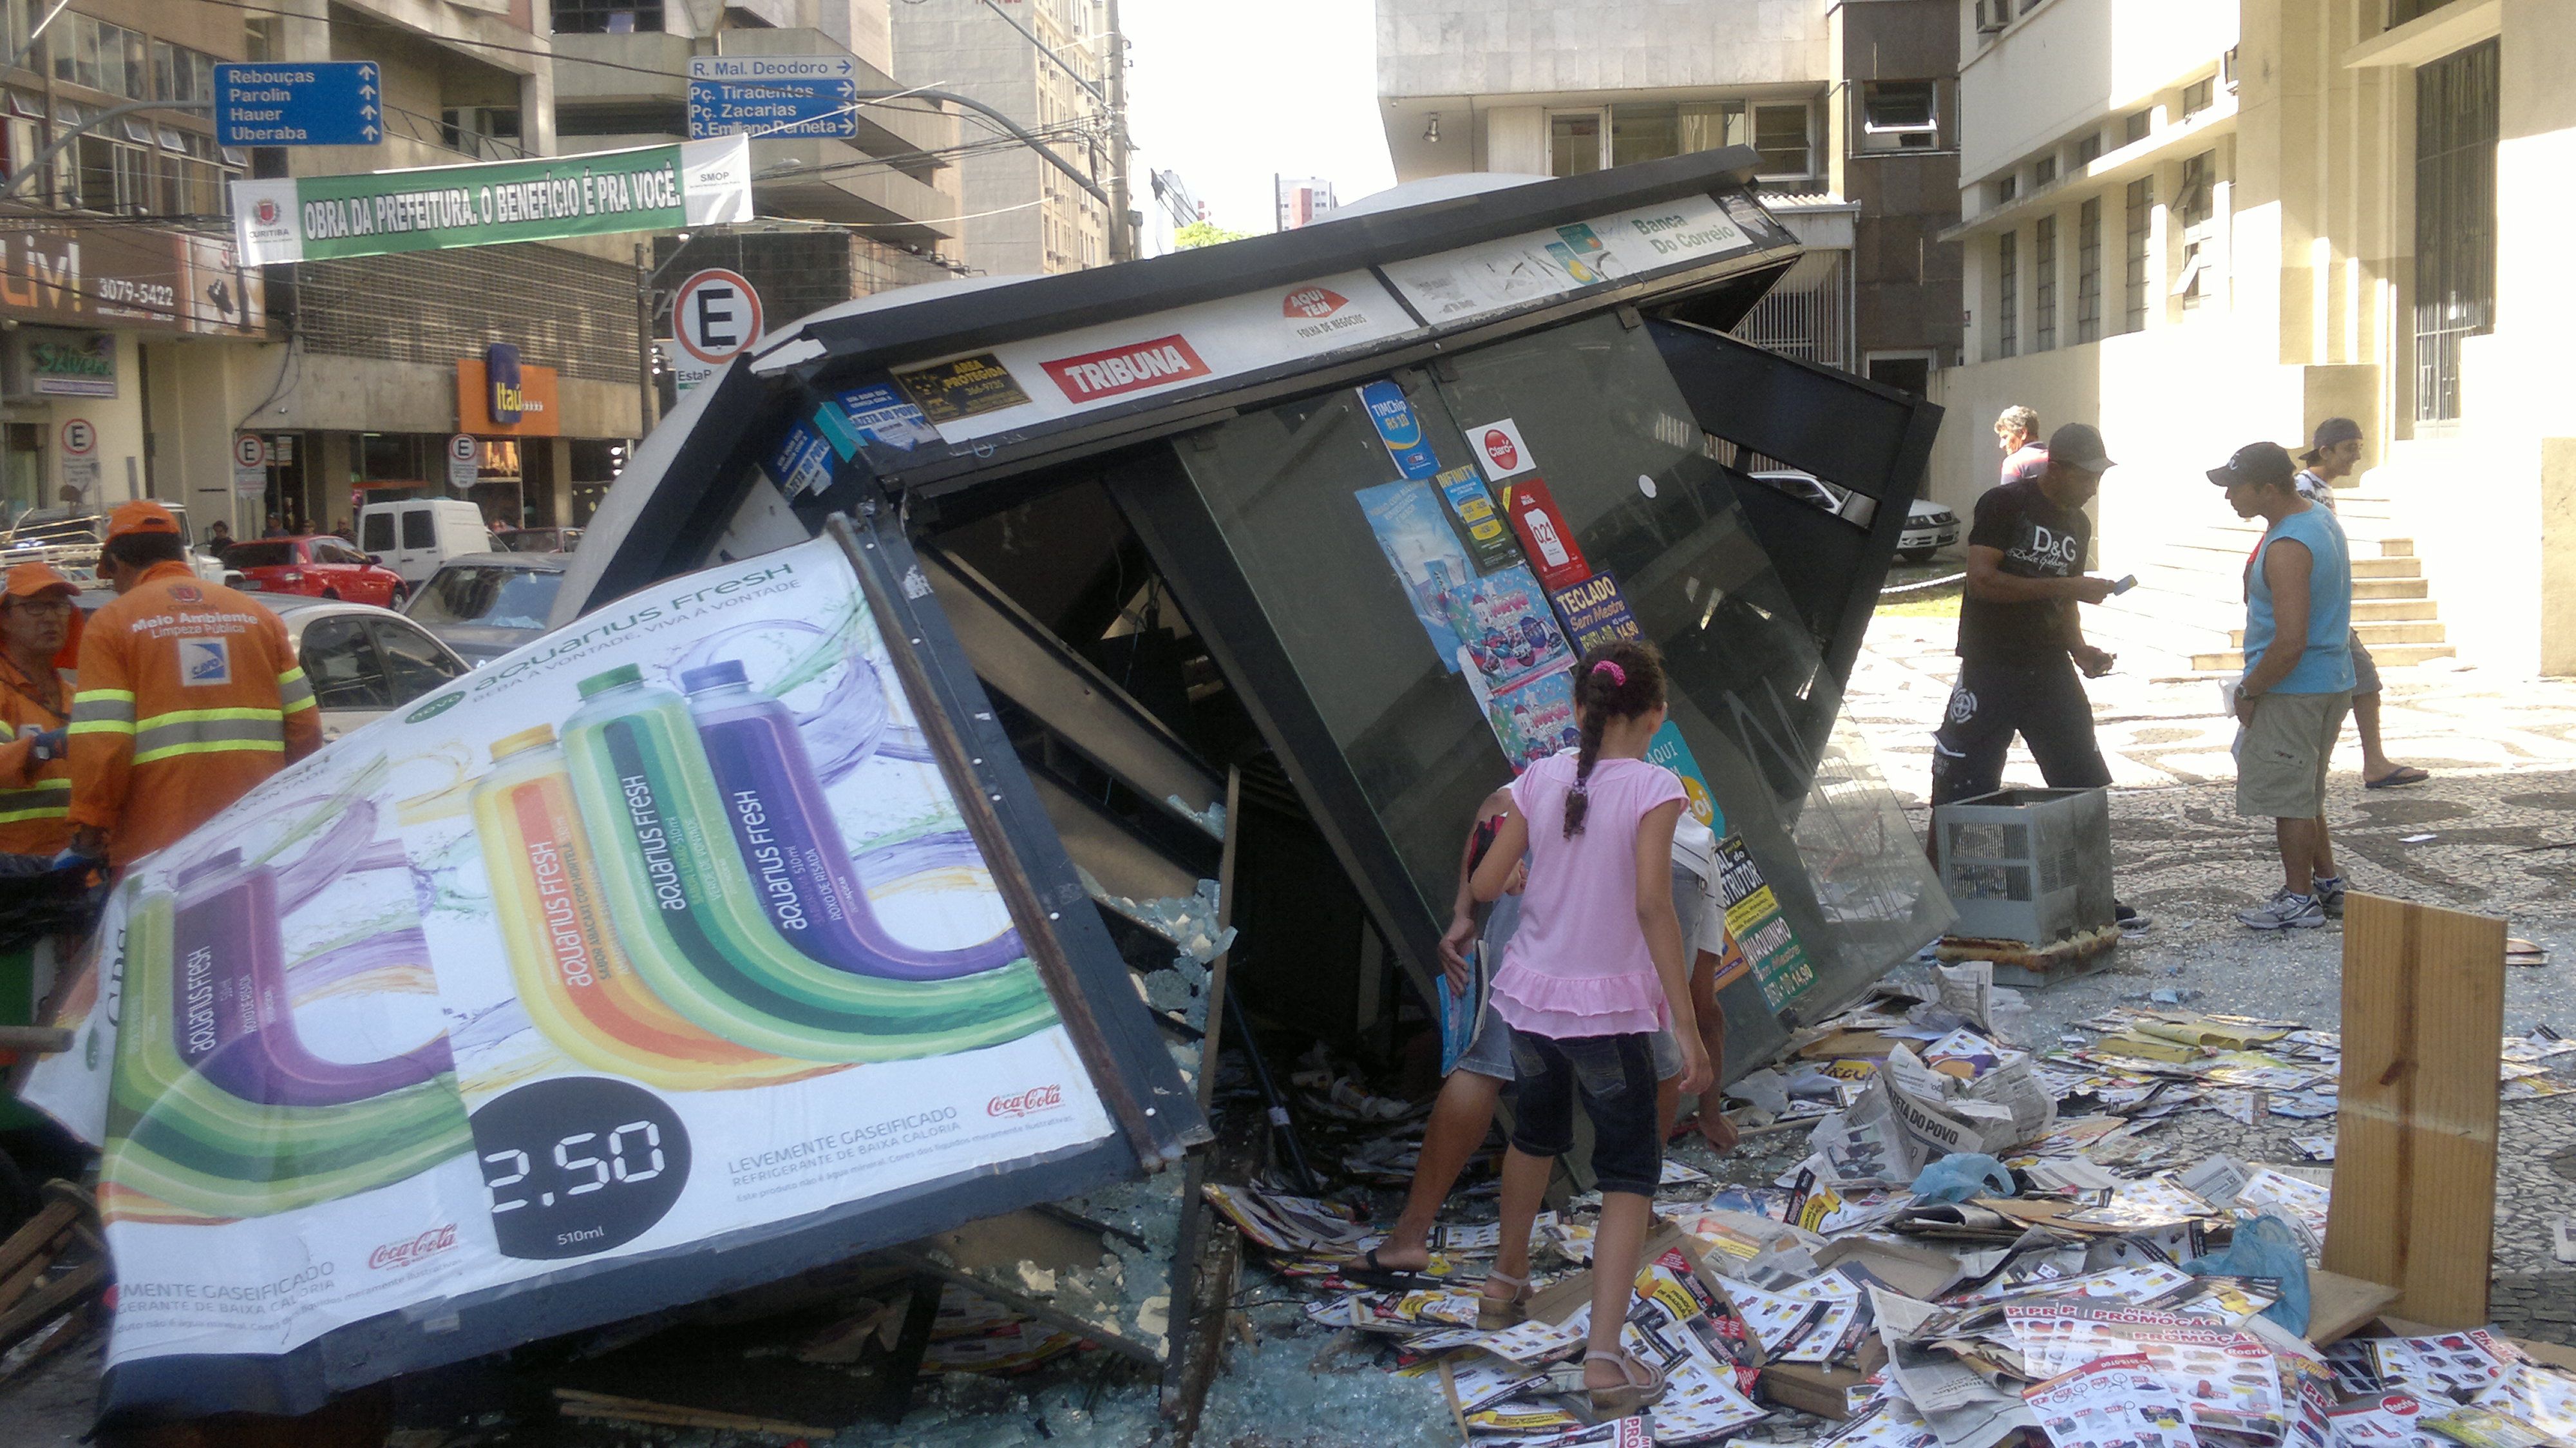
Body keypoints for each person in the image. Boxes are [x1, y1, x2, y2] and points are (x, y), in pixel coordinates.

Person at [1468, 640, 1708, 1416]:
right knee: (1630, 1172)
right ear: (1655, 717)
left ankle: (1504, 1282)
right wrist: (1687, 1027)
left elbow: (1481, 882)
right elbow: (1650, 903)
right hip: (1607, 1016)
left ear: (1578, 711)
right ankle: (1604, 1359)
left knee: (1534, 1134)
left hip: (1530, 1003)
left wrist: (1516, 874)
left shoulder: (1538, 778)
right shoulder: (1654, 785)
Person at [1356, 784, 1728, 1279]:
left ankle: (1420, 1239)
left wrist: (1464, 914)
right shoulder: (1685, 826)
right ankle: (1633, 1223)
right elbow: (1704, 1006)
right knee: (1656, 1057)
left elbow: (1492, 811)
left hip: (1558, 841)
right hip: (1675, 867)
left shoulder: (1554, 774)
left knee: (1490, 1062)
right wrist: (1709, 1110)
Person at [66, 501, 322, 868]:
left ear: (118, 564)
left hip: (158, 850)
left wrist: (90, 822)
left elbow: (104, 742)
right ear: (180, 552)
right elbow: (305, 728)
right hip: (257, 840)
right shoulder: (258, 617)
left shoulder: (112, 625)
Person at [2210, 441, 2355, 929]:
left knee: (2289, 800)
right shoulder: (2316, 517)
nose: (2229, 496)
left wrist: (2250, 690)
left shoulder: (2291, 545)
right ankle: (2327, 884)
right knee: (2306, 793)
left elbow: (2291, 641)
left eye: (2235, 488)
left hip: (2294, 687)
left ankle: (2299, 899)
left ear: (2268, 489)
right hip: (2330, 679)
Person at [2295, 417, 2427, 791]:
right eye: (2350, 448)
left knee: (2361, 682)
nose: (2357, 456)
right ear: (2326, 451)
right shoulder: (2304, 489)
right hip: (2319, 609)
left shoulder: (2319, 488)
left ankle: (2371, 762)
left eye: (2359, 447)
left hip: (2327, 607)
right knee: (2361, 680)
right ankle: (2368, 763)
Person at [0, 564, 81, 857]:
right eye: (35, 607)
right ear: (4, 619)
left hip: (72, 866)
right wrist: (43, 748)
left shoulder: (76, 696)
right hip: (11, 873)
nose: (51, 617)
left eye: (59, 606)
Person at [1995, 405, 2047, 486]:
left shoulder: (2013, 463)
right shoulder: (2056, 459)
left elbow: (2006, 498)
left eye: (2005, 437)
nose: (2001, 445)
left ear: (2023, 433)